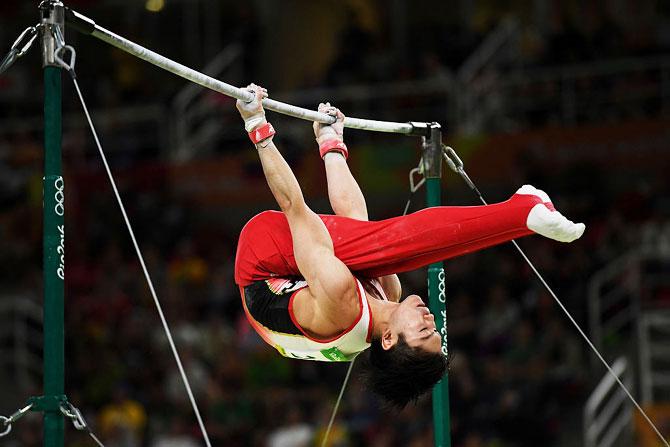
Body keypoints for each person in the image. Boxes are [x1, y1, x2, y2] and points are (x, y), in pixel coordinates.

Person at [233, 84, 585, 408]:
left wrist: (257, 126)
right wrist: (331, 144)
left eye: (423, 330)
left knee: (387, 245)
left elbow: (295, 208)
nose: (431, 318)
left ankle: (520, 213)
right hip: (303, 296)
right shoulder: (387, 294)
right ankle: (521, 214)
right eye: (436, 329)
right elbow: (354, 221)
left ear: (387, 339)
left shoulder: (342, 301)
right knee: (374, 246)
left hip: (260, 267)